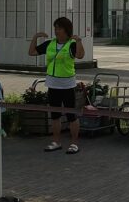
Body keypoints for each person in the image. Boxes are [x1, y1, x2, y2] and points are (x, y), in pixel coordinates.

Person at [29, 17, 86, 154]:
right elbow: (32, 52)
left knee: (71, 115)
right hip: (52, 84)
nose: (56, 31)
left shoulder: (71, 44)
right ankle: (56, 141)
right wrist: (35, 37)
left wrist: (79, 41)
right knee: (55, 115)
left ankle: (74, 143)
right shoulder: (50, 43)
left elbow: (80, 55)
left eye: (59, 28)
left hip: (67, 85)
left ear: (66, 30)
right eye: (55, 28)